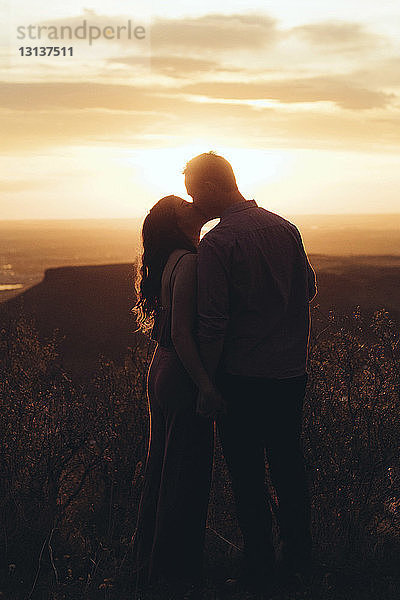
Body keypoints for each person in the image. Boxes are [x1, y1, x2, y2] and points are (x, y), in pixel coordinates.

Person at [183, 152, 317, 596]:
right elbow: (309, 288)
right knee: (289, 467)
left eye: (196, 193)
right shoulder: (286, 228)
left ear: (212, 186)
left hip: (242, 375)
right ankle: (300, 560)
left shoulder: (219, 244)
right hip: (290, 371)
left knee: (246, 475)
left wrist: (207, 383)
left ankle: (259, 566)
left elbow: (214, 320)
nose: (196, 206)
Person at [132, 195, 225, 599]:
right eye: (185, 204)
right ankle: (175, 572)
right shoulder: (188, 262)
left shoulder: (172, 259)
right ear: (176, 220)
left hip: (162, 365)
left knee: (163, 465)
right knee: (185, 469)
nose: (194, 204)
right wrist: (206, 385)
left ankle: (152, 564)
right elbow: (185, 333)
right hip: (181, 371)